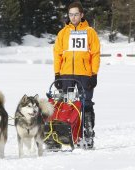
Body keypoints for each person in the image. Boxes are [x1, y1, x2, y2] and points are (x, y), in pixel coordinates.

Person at [53, 1, 100, 149]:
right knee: (64, 104)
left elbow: (95, 54)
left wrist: (94, 74)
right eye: (70, 14)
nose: (73, 17)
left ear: (82, 15)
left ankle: (87, 134)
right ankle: (62, 136)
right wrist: (57, 74)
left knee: (85, 105)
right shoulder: (63, 33)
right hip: (66, 73)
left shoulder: (90, 32)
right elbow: (57, 54)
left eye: (76, 14)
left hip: (85, 74)